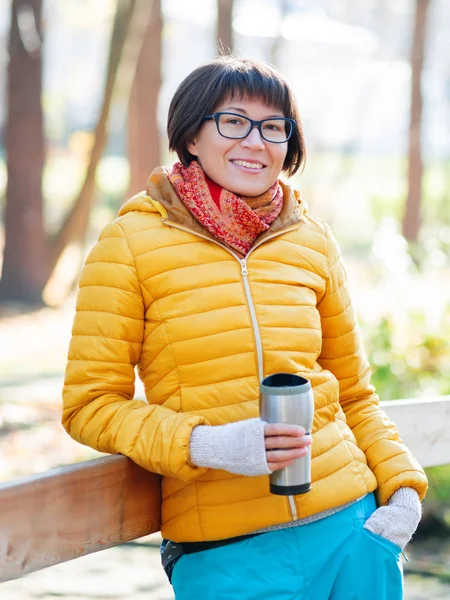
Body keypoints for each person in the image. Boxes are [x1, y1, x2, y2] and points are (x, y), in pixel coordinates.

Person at [62, 56, 428, 599]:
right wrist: (206, 445)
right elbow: (88, 405)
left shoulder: (312, 242)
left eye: (274, 126)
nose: (255, 142)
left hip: (353, 533)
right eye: (233, 121)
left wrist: (402, 490)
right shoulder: (130, 245)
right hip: (227, 554)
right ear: (190, 136)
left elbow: (353, 390)